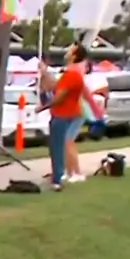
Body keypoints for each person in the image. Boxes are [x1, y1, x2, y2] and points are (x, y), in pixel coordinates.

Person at [37, 43, 86, 191]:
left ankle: (59, 178)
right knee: (57, 146)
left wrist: (43, 107)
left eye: (70, 48)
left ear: (75, 55)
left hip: (64, 115)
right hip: (61, 114)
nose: (67, 50)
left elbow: (60, 97)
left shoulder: (72, 74)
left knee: (59, 146)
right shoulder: (69, 73)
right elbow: (55, 86)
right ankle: (60, 175)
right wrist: (45, 73)